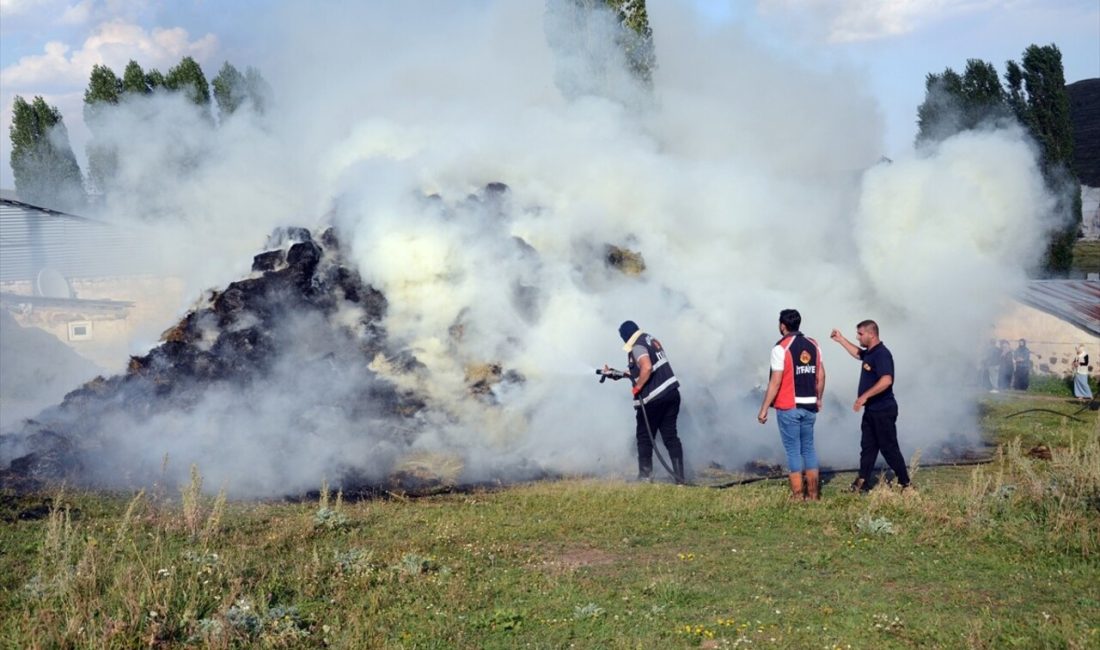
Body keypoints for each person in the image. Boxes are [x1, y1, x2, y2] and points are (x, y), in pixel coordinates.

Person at [830, 320, 912, 492]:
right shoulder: (870, 352)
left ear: (871, 334)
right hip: (872, 410)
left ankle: (906, 484)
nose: (857, 336)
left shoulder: (882, 354)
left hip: (883, 409)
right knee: (868, 448)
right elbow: (859, 354)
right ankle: (862, 482)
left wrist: (863, 397)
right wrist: (841, 340)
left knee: (889, 448)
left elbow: (886, 380)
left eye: (860, 334)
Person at [757, 309, 826, 501]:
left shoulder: (780, 348)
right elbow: (821, 375)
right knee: (809, 449)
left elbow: (775, 382)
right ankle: (813, 495)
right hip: (810, 405)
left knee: (793, 450)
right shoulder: (814, 345)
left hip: (789, 407)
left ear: (782, 325)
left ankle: (797, 496)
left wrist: (764, 409)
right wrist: (818, 398)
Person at [607, 320, 685, 483]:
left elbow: (647, 367)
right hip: (671, 393)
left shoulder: (637, 346)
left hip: (654, 399)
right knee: (670, 437)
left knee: (644, 437)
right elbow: (640, 368)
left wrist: (638, 387)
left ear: (625, 337)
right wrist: (617, 374)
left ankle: (645, 476)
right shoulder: (649, 339)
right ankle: (680, 478)